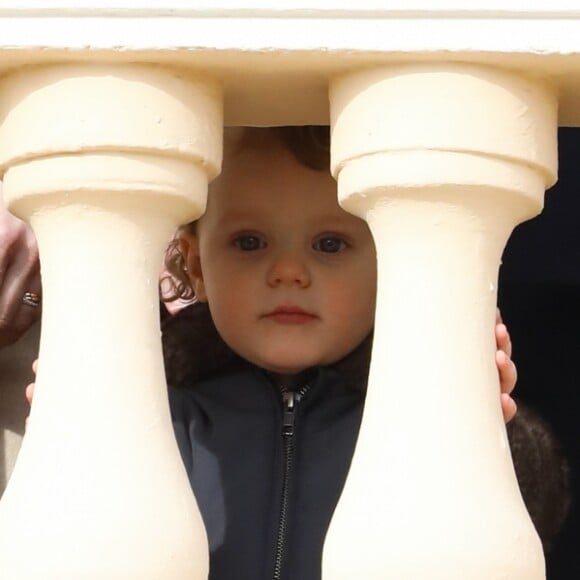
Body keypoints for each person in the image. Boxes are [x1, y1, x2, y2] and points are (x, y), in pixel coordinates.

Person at [159, 126, 568, 580]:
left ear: (387, 264)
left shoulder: (412, 411)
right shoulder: (163, 414)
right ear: (197, 266)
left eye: (329, 244)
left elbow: (521, 518)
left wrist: (487, 426)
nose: (289, 271)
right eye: (250, 242)